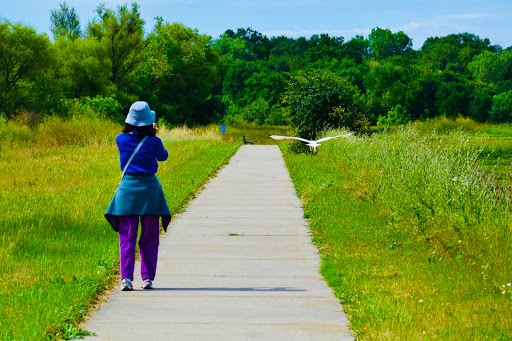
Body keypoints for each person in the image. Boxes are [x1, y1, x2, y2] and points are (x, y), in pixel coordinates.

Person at [105, 101, 171, 291]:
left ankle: (126, 279)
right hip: (150, 192)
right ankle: (147, 278)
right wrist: (154, 133)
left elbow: (129, 140)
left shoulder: (121, 139)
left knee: (127, 237)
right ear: (149, 122)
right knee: (149, 237)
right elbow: (163, 156)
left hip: (127, 193)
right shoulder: (154, 141)